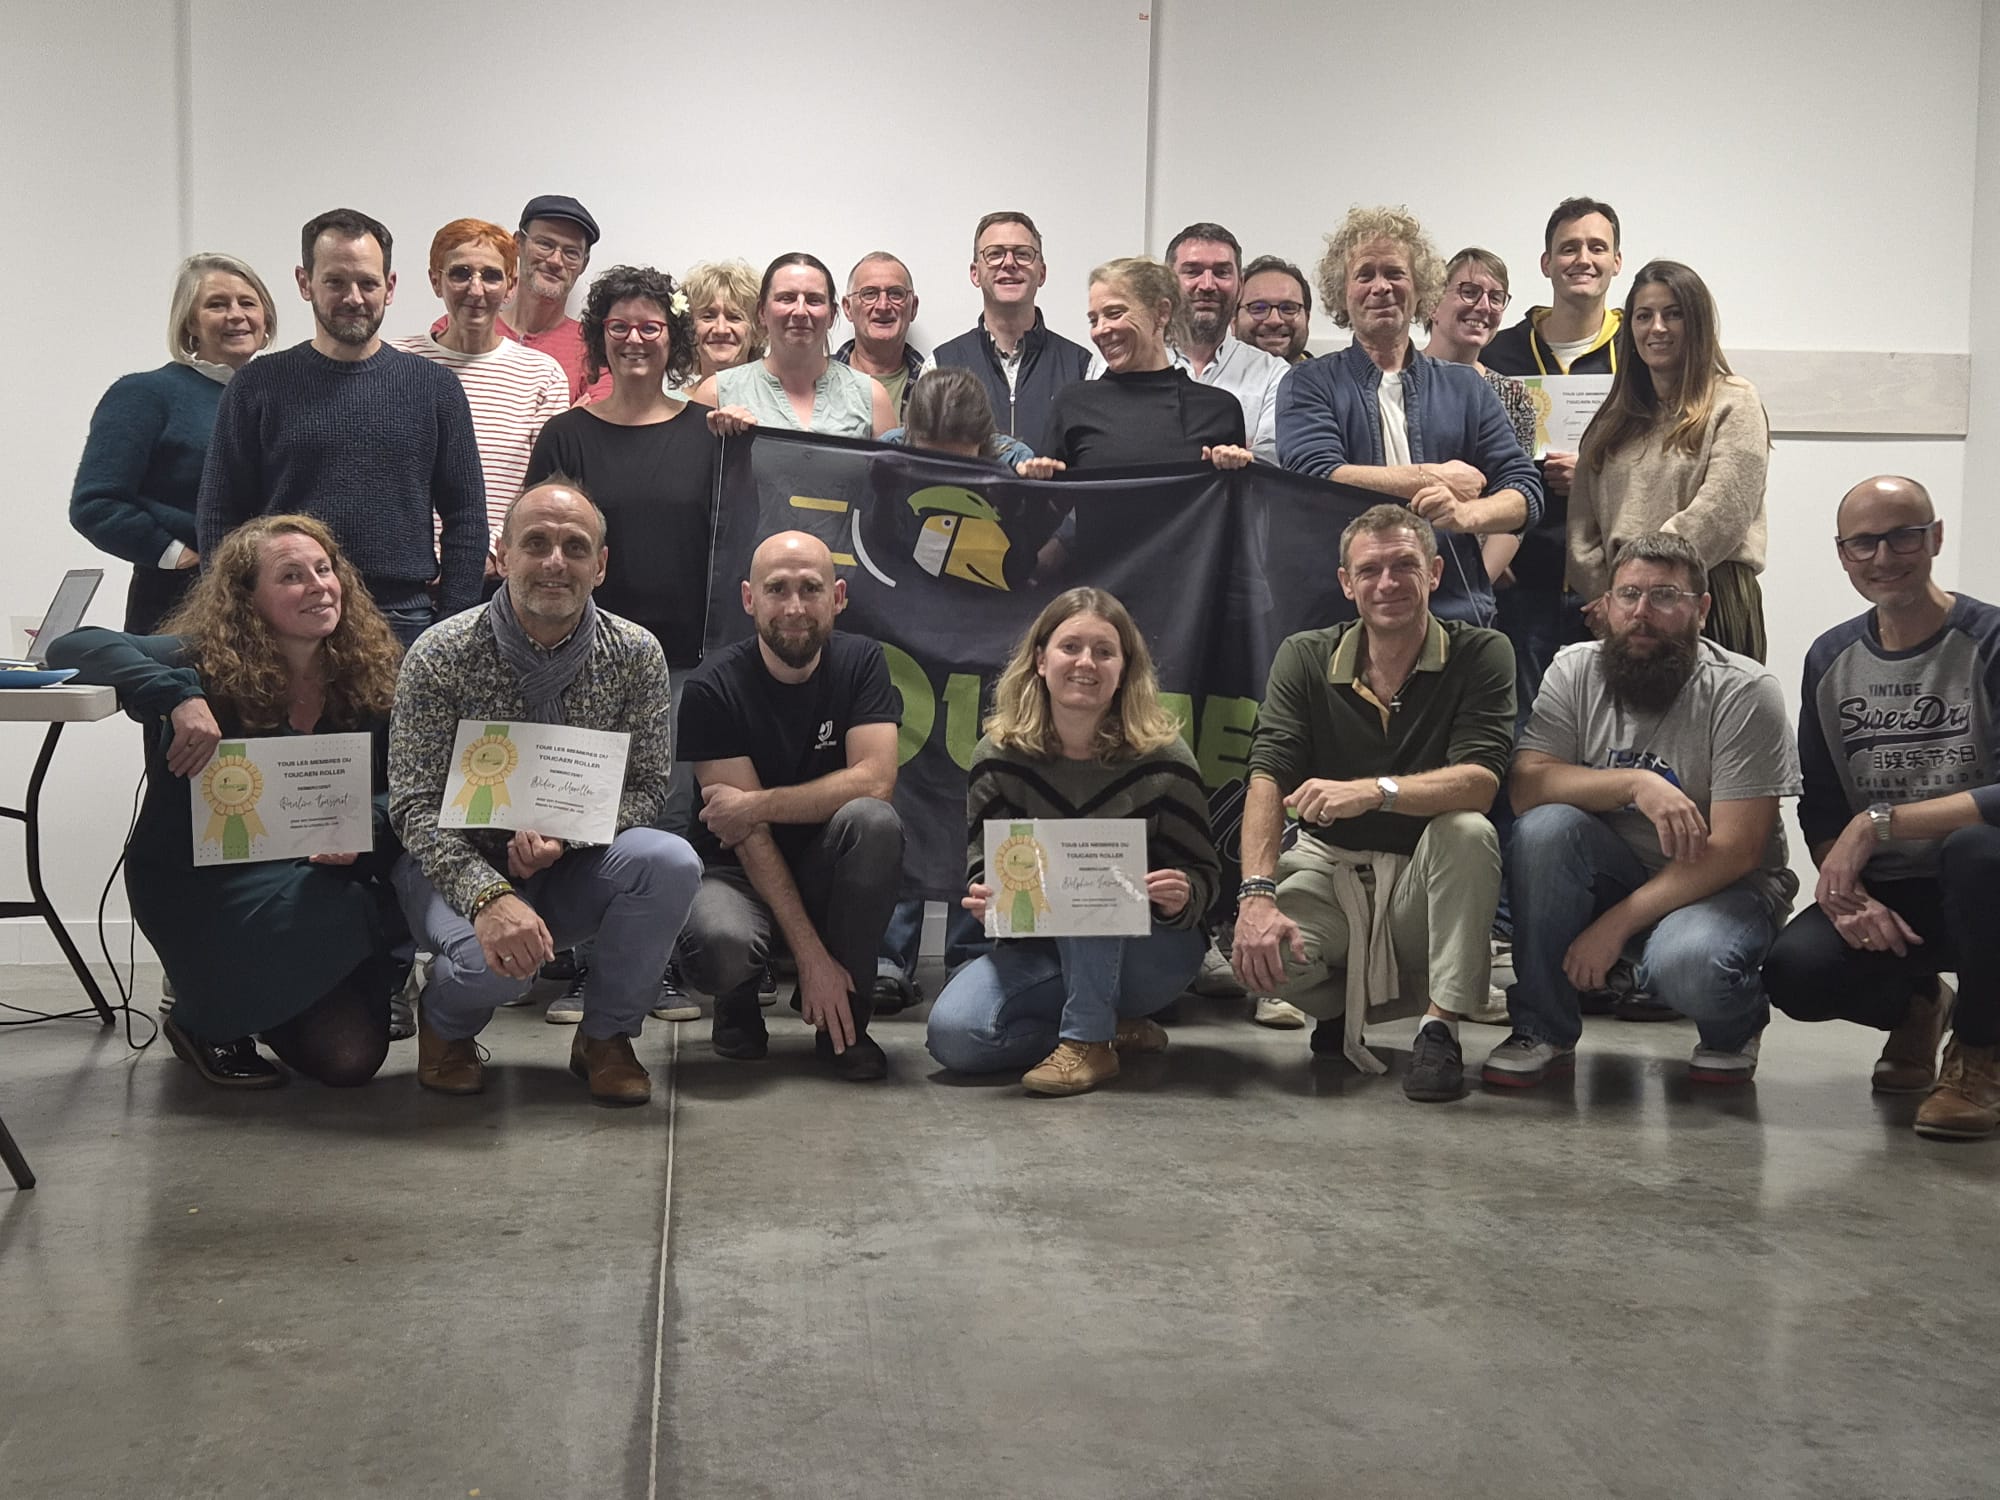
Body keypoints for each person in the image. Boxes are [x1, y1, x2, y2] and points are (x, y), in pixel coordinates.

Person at [47, 515, 407, 1088]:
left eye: (324, 569)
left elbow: (400, 789)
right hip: (204, 885)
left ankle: (258, 1001)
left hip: (316, 882)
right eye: (291, 576)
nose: (319, 586)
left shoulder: (369, 674)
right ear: (248, 598)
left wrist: (365, 822)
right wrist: (179, 696)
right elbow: (73, 645)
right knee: (340, 1033)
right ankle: (202, 1020)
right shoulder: (202, 660)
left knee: (350, 1060)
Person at [388, 481, 703, 1104]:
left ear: (600, 565)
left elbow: (646, 788)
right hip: (453, 863)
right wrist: (489, 896)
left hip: (573, 862)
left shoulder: (636, 654)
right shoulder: (440, 652)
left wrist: (566, 836)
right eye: (536, 544)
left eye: (575, 547)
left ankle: (607, 1037)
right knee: (502, 969)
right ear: (503, 555)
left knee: (670, 861)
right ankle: (446, 1024)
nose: (555, 562)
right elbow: (414, 806)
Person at [1482, 533, 1798, 1090]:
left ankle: (1736, 1027)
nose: (1642, 612)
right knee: (1545, 828)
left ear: (1701, 608)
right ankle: (1541, 1030)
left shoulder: (1745, 691)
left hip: (1723, 887)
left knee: (1689, 968)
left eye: (1665, 596)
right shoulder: (1573, 669)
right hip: (1617, 870)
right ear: (1605, 605)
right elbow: (1528, 787)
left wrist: (1615, 926)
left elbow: (1738, 849)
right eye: (1628, 595)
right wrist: (1636, 783)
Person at [1229, 504, 1515, 1103]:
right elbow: (1267, 776)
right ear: (1346, 583)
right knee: (1261, 955)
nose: (1387, 583)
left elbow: (1481, 782)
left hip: (1424, 885)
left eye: (1404, 565)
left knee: (1468, 831)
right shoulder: (1304, 655)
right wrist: (1255, 896)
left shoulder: (1483, 652)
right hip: (1330, 872)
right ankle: (1341, 1012)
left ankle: (1439, 1028)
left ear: (1434, 572)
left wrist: (1374, 792)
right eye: (1369, 570)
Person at [1763, 476, 2000, 1139]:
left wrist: (1879, 823)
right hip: (1894, 892)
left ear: (1936, 538)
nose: (1884, 557)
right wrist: (1848, 896)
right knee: (1795, 973)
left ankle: (1980, 1052)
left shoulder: (1989, 639)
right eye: (1863, 543)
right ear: (1843, 554)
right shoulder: (1830, 657)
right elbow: (1821, 805)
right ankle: (1920, 1005)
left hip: (1984, 884)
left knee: (1977, 852)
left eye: (1903, 537)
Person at [926, 588, 1220, 1095]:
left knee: (1091, 885)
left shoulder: (1164, 758)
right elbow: (986, 870)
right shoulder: (998, 757)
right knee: (956, 1037)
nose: (1086, 663)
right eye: (1070, 647)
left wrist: (1183, 894)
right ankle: (1109, 1030)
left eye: (1104, 652)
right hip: (1043, 954)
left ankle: (1088, 1042)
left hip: (1152, 955)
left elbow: (1206, 876)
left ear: (1124, 670)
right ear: (1041, 660)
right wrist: (988, 900)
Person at [523, 265, 719, 1024]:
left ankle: (653, 968)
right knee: (580, 813)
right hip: (581, 658)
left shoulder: (711, 432)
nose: (635, 338)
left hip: (682, 657)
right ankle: (586, 969)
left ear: (673, 336)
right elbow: (539, 541)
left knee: (664, 818)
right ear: (600, 337)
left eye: (650, 326)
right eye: (619, 327)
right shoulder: (566, 434)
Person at [195, 207, 487, 648]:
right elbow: (221, 514)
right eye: (335, 282)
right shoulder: (256, 386)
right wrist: (237, 619)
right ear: (304, 282)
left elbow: (466, 516)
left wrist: (452, 626)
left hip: (403, 621)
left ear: (389, 287)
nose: (353, 298)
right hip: (286, 621)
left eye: (368, 283)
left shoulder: (435, 389)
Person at [675, 532, 904, 1082]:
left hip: (825, 868)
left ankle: (845, 1023)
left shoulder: (863, 662)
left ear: (838, 597)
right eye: (777, 589)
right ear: (749, 599)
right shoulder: (711, 687)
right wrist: (810, 956)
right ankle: (736, 1001)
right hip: (736, 870)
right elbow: (745, 834)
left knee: (874, 823)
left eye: (811, 588)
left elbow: (875, 783)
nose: (795, 607)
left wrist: (757, 803)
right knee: (722, 944)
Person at [1276, 205, 1541, 628]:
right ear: (1342, 293)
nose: (1381, 287)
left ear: (1421, 290)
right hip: (1342, 618)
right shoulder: (1309, 382)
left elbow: (1525, 492)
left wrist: (1466, 515)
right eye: (1365, 274)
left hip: (1452, 612)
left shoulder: (1466, 387)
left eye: (1395, 273)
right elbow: (1313, 477)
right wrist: (1431, 478)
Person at [869, 367, 1024, 1015]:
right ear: (911, 436)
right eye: (930, 460)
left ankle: (971, 956)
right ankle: (886, 956)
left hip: (983, 648)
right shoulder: (887, 451)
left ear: (984, 444)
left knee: (979, 789)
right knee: (900, 787)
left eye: (959, 463)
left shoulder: (1014, 459)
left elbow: (1052, 548)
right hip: (906, 642)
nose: (943, 473)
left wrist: (1046, 491)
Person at [1569, 260, 1771, 661]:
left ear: (1697, 323)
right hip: (1622, 607)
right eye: (1644, 316)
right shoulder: (1612, 421)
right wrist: (1613, 596)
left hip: (1707, 595)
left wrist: (1648, 583)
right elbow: (1581, 527)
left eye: (1673, 314)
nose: (1657, 328)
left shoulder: (1734, 402)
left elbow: (1722, 513)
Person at [71, 253, 278, 633]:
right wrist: (177, 557)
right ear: (190, 323)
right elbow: (96, 504)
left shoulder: (279, 400)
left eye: (247, 303)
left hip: (271, 614)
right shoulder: (146, 394)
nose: (236, 315)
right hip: (177, 609)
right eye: (217, 304)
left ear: (265, 318)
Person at [1483, 197, 1623, 713]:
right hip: (1520, 583)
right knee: (1519, 730)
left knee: (1611, 732)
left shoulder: (1639, 352)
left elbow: (1662, 458)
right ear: (1546, 263)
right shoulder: (1498, 353)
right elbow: (1467, 453)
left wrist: (1593, 475)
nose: (1583, 259)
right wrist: (1485, 553)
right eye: (1568, 248)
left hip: (1611, 586)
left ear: (1616, 262)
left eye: (1597, 247)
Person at [394, 219, 569, 569]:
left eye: (491, 276)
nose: (476, 290)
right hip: (404, 571)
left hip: (495, 573)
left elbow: (542, 485)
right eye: (460, 274)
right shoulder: (397, 362)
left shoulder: (542, 375)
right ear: (435, 280)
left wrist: (488, 554)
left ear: (511, 286)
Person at [1422, 247, 1538, 676]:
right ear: (1432, 302)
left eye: (1496, 297)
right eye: (1469, 291)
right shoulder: (1395, 380)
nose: (1483, 307)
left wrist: (1472, 584)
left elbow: (1518, 499)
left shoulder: (1513, 397)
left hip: (1471, 598)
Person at [428, 194, 609, 405]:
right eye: (544, 244)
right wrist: (558, 418)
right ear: (517, 244)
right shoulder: (452, 326)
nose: (555, 261)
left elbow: (597, 420)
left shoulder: (594, 345)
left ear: (584, 264)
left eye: (571, 253)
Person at [930, 211, 1092, 444]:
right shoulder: (939, 366)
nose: (1009, 263)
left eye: (1022, 254)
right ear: (975, 274)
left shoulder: (1083, 369)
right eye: (994, 254)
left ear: (1042, 273)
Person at [693, 253, 894, 440]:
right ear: (762, 312)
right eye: (786, 298)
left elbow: (892, 467)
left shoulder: (872, 398)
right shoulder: (716, 394)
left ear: (832, 315)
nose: (800, 312)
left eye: (814, 300)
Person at [1162, 221, 1289, 462]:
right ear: (1167, 283)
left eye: (1222, 273)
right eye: (1192, 271)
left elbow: (1271, 462)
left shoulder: (1274, 375)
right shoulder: (1122, 367)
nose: (1207, 285)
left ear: (1240, 286)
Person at [833, 252, 925, 419]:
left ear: (913, 307)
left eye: (896, 294)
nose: (883, 306)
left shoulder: (936, 387)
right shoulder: (816, 380)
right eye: (869, 294)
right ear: (848, 308)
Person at [682, 259, 765, 384]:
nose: (721, 330)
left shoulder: (778, 395)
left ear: (756, 330)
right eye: (708, 317)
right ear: (689, 327)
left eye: (734, 318)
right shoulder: (674, 398)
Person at [1235, 255, 1313, 365]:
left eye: (1288, 308)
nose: (1274, 321)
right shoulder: (1212, 375)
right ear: (1233, 321)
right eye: (1258, 308)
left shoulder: (1330, 375)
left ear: (1307, 319)